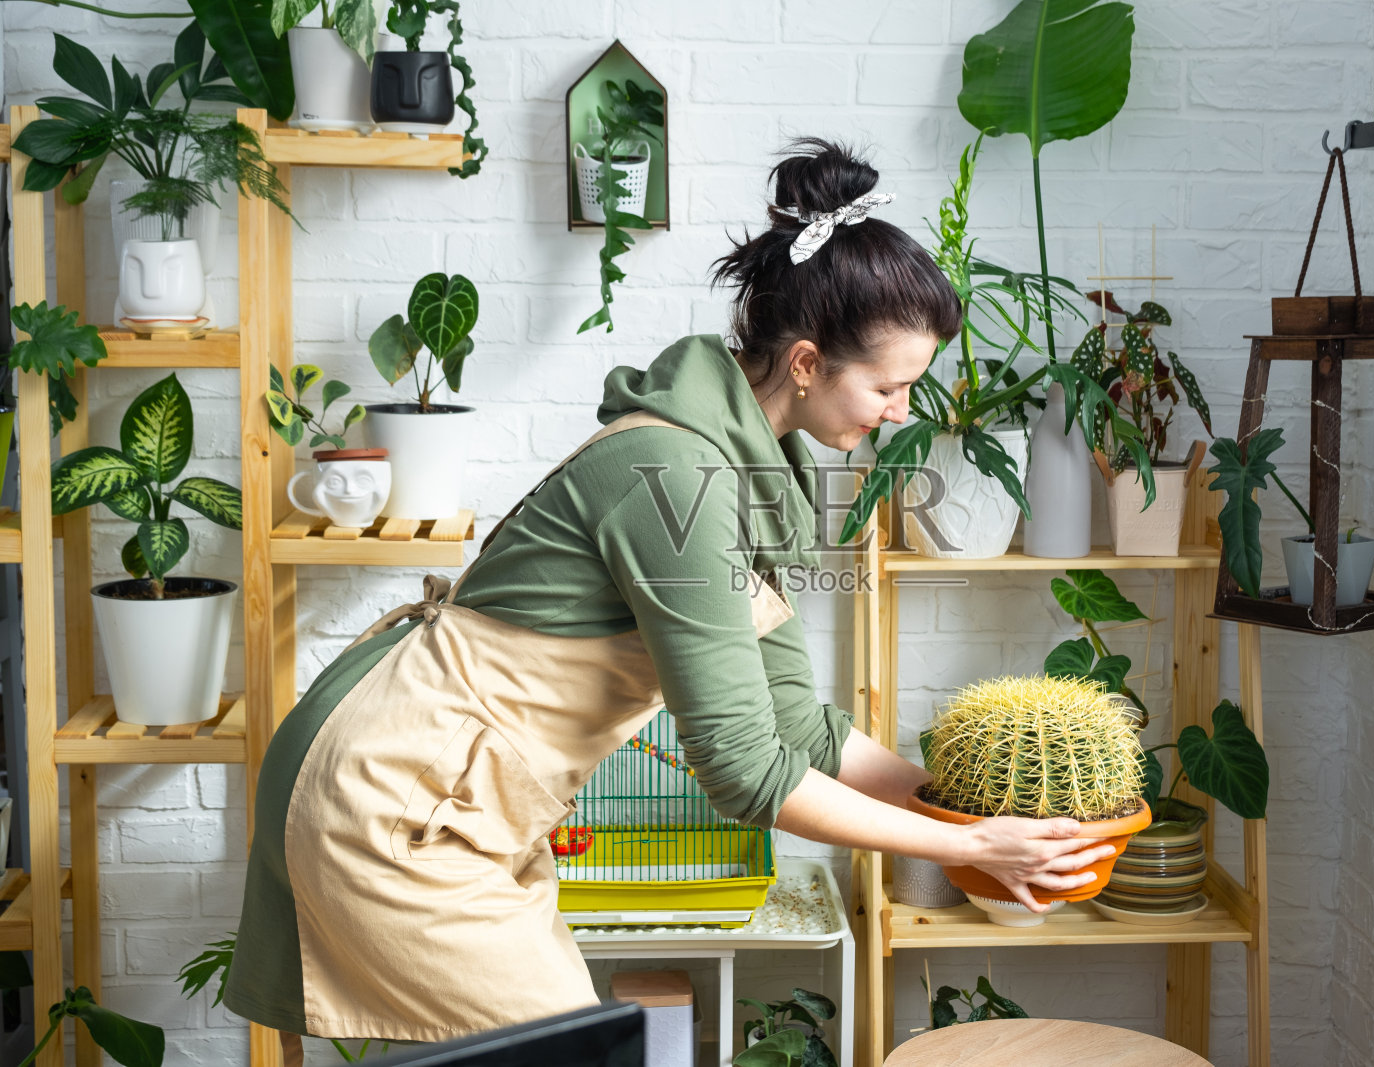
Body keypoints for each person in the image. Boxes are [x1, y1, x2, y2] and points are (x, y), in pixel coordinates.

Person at [225, 138, 1113, 1055]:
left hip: (456, 793)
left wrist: (961, 807)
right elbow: (743, 770)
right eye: (887, 386)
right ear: (806, 362)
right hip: (396, 798)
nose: (899, 410)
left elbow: (793, 728)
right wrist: (966, 849)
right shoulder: (678, 473)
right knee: (566, 1050)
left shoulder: (753, 470)